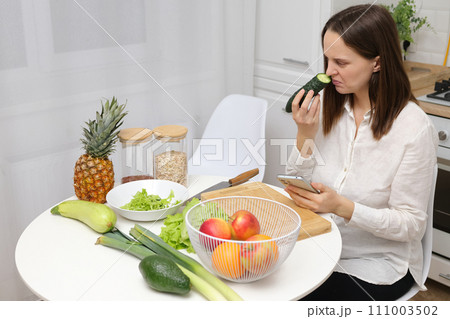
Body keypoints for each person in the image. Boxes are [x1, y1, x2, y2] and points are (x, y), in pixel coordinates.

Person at [284, 4, 438, 301]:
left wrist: (342, 206)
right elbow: (294, 184)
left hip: (377, 265)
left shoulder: (413, 127)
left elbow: (411, 225)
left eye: (341, 62)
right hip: (320, 245)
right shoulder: (330, 105)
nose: (328, 72)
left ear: (377, 63)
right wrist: (305, 133)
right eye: (327, 59)